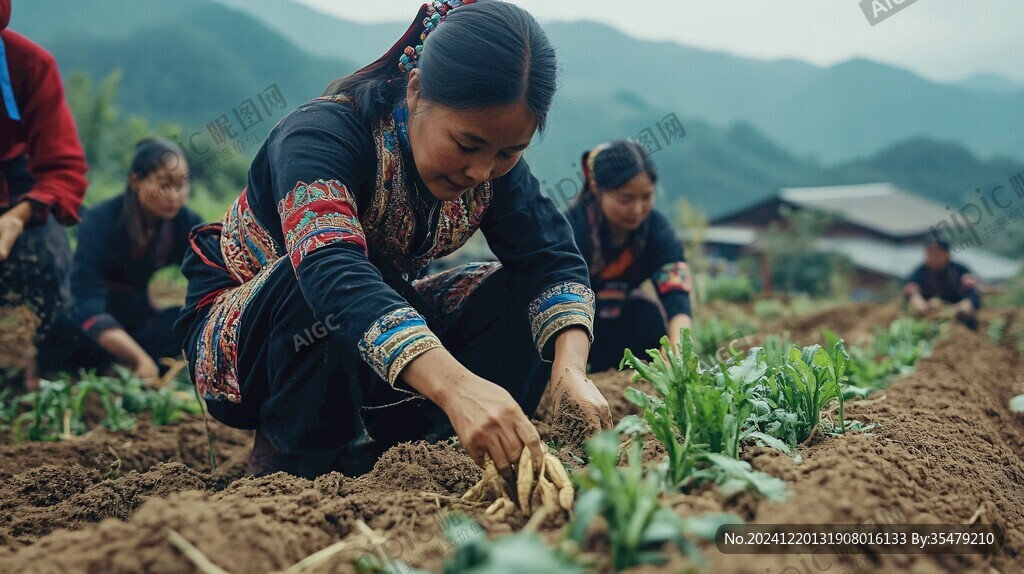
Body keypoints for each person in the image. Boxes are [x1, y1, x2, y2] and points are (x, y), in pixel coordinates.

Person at [175, 0, 612, 479]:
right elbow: (332, 270)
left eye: (509, 152)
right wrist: (457, 386)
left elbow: (549, 258)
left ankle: (420, 449)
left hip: (367, 334)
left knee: (519, 297)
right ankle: (293, 462)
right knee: (320, 285)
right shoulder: (319, 138)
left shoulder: (490, 167)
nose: (481, 171)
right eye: (466, 145)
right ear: (417, 89)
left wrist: (570, 372)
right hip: (252, 349)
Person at [0, 0, 89, 384]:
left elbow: (63, 168)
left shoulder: (31, 66)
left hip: (21, 191)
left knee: (53, 275)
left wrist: (17, 217)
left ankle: (47, 381)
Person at [69, 138, 201, 381]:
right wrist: (139, 358)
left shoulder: (184, 222)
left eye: (181, 184)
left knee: (185, 320)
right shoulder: (101, 221)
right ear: (135, 181)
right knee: (65, 328)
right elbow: (84, 299)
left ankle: (128, 367)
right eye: (164, 184)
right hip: (94, 320)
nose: (174, 195)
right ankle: (125, 365)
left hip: (138, 318)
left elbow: (212, 263)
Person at [565, 140, 693, 372]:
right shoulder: (573, 228)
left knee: (647, 314)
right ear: (598, 191)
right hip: (571, 326)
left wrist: (678, 349)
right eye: (625, 199)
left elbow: (675, 289)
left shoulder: (656, 229)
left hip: (621, 327)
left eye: (646, 197)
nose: (637, 210)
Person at [903, 239, 980, 329]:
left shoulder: (959, 270)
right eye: (929, 254)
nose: (932, 257)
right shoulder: (919, 272)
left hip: (957, 313)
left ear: (946, 254)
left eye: (936, 254)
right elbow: (910, 289)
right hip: (929, 315)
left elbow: (971, 290)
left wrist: (967, 303)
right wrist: (916, 300)